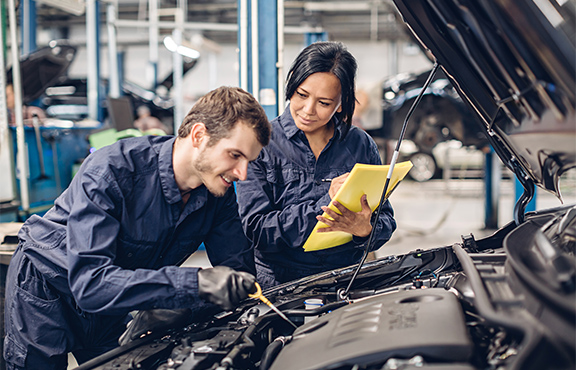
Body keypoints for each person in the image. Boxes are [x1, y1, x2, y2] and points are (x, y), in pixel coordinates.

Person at [3, 86, 271, 369]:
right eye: (234, 155)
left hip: (113, 299)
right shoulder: (111, 171)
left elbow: (238, 273)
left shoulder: (218, 194)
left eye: (248, 162)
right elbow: (91, 284)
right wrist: (194, 283)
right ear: (199, 135)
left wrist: (180, 308)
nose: (242, 174)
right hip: (47, 288)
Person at [236, 41, 397, 289]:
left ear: (341, 103)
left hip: (345, 281)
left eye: (323, 103)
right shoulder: (262, 143)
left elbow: (385, 219)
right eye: (301, 95)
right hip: (280, 285)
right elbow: (256, 230)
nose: (308, 110)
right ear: (291, 82)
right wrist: (326, 205)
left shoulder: (359, 145)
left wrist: (364, 230)